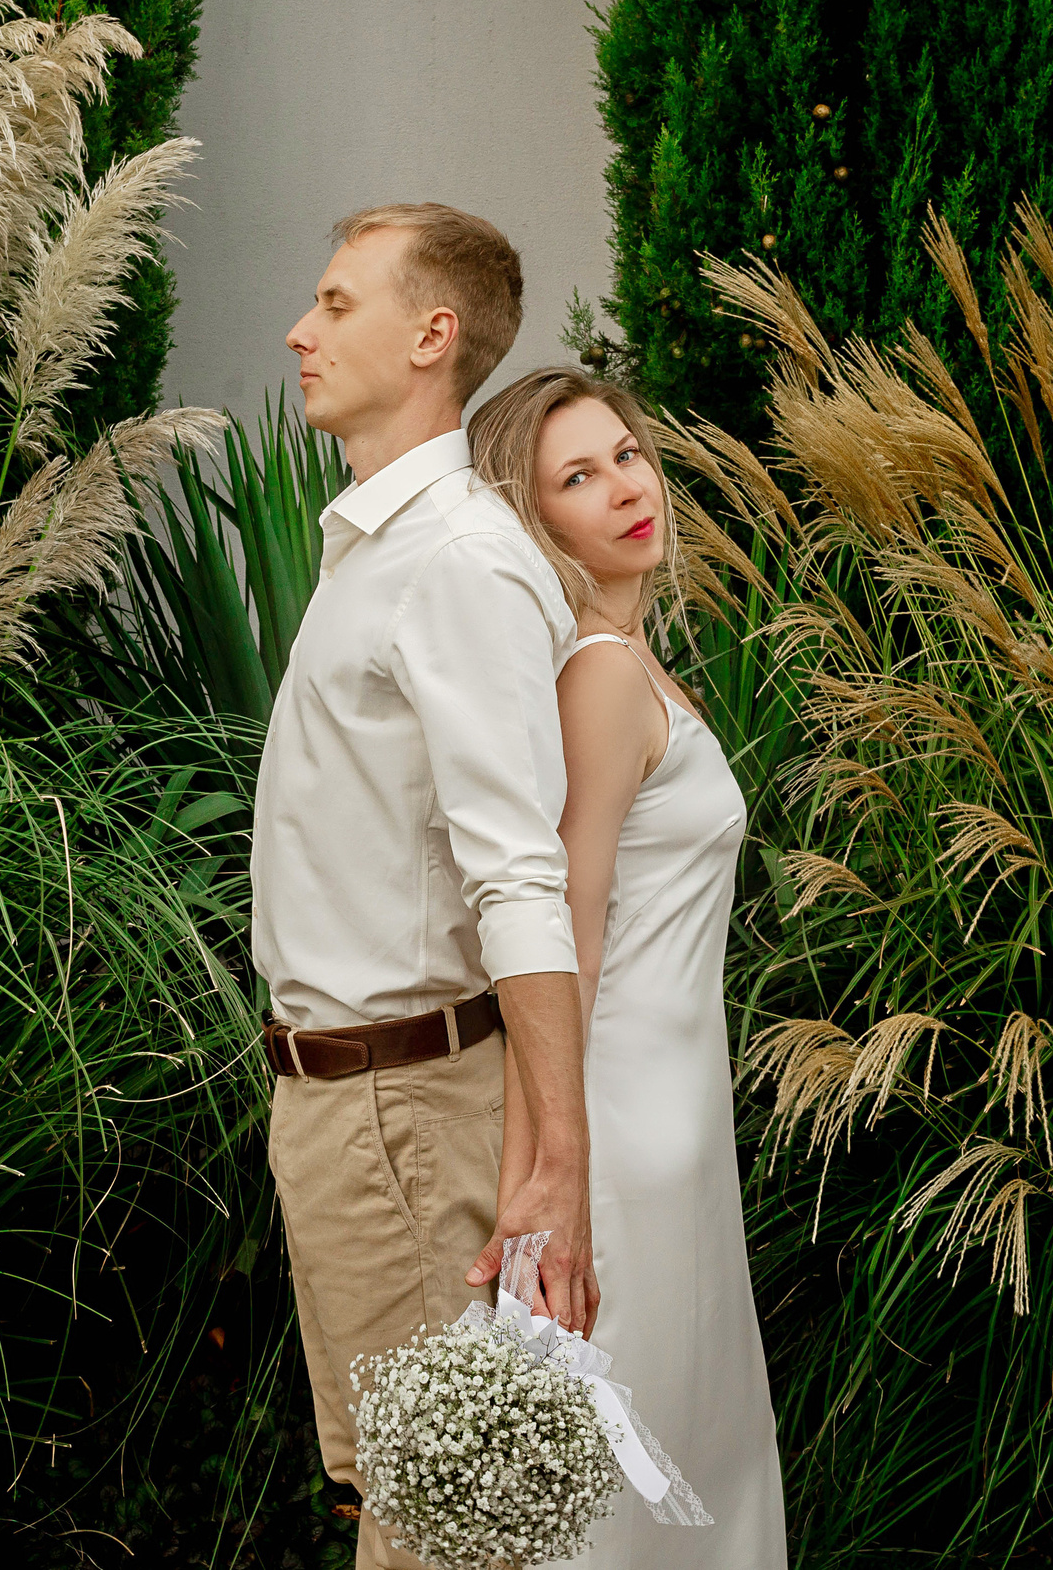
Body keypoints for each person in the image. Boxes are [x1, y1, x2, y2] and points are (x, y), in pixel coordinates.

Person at [251, 205, 598, 1569]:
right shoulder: (386, 551)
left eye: (338, 303)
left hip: (398, 1107)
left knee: (442, 1530)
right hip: (345, 1103)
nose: (301, 330)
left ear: (431, 336)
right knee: (405, 1504)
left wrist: (556, 1162)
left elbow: (518, 871)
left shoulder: (453, 560)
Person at [465, 366, 788, 1567]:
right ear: (532, 516)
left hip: (677, 1131)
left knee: (677, 1463)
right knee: (621, 1491)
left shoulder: (635, 662)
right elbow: (564, 940)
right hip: (621, 1141)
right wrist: (540, 1192)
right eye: (578, 475)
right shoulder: (598, 675)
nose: (625, 486)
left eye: (627, 454)